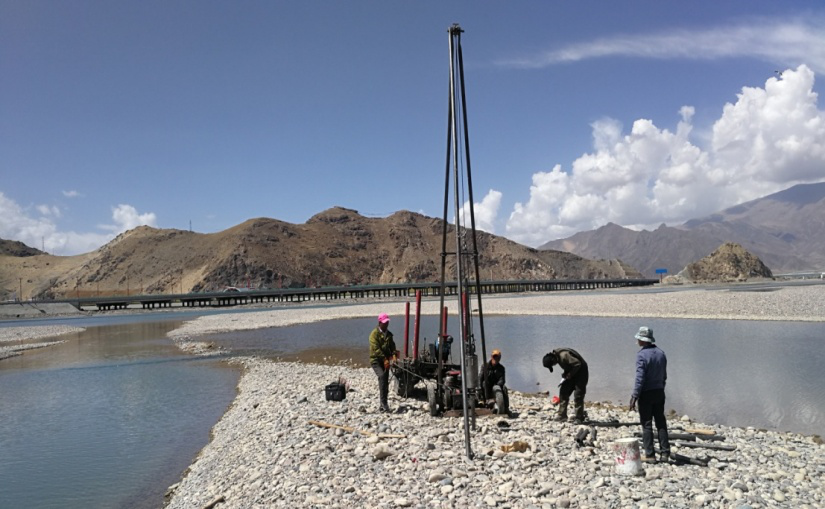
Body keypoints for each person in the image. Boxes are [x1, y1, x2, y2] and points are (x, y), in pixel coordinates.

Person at [628, 326, 671, 463]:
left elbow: (640, 378)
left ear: (642, 340)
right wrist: (661, 388)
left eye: (638, 339)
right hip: (659, 391)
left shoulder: (641, 355)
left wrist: (634, 396)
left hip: (646, 393)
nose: (637, 341)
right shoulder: (661, 353)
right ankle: (665, 453)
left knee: (647, 424)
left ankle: (650, 455)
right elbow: (664, 375)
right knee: (661, 422)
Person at [542, 347, 589, 423]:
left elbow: (577, 364)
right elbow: (569, 365)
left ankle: (579, 418)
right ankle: (562, 415)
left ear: (553, 360)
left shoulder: (564, 355)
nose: (554, 365)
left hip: (581, 374)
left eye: (553, 364)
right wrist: (565, 373)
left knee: (578, 396)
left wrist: (570, 374)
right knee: (563, 392)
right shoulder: (558, 357)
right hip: (572, 374)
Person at [368, 313, 398, 413]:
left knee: (385, 381)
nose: (386, 325)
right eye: (385, 323)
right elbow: (376, 349)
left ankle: (384, 403)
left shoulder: (389, 334)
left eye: (387, 322)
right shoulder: (374, 334)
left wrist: (394, 356)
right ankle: (383, 403)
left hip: (385, 361)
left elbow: (392, 347)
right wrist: (384, 359)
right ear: (380, 322)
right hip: (376, 360)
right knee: (381, 376)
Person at [480, 349, 509, 413]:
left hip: (496, 387)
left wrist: (497, 386)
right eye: (494, 357)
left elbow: (502, 380)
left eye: (497, 357)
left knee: (504, 388)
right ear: (491, 357)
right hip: (487, 387)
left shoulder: (501, 368)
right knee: (483, 383)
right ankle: (485, 402)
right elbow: (480, 378)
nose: (496, 359)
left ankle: (506, 407)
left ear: (500, 358)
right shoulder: (485, 366)